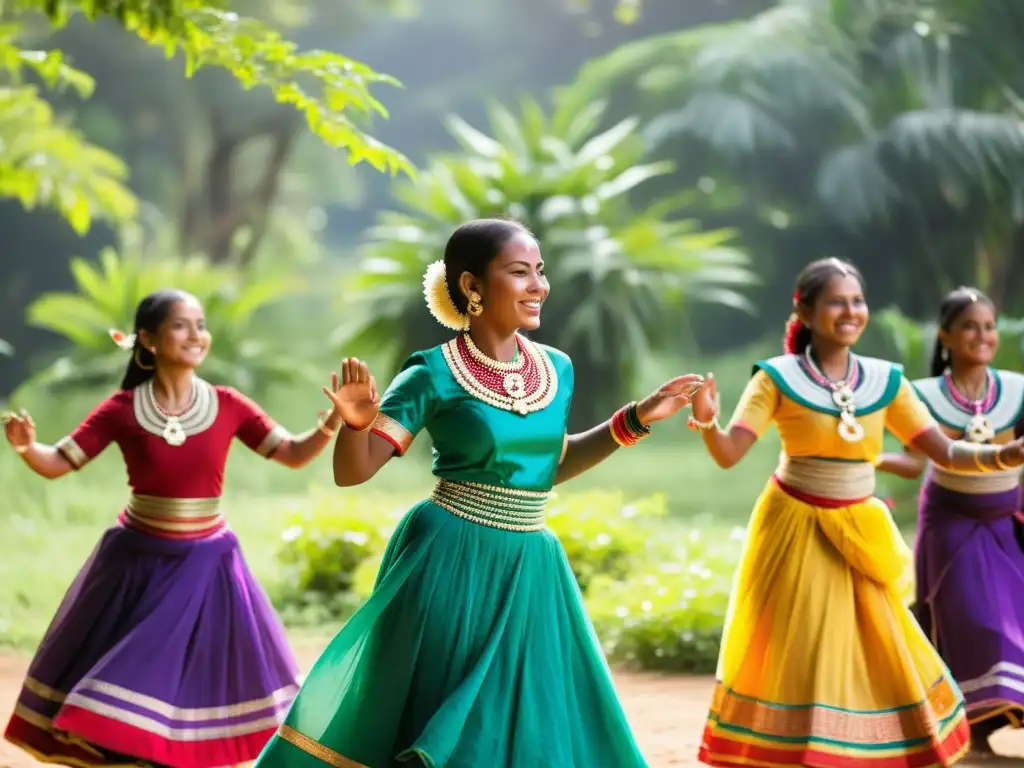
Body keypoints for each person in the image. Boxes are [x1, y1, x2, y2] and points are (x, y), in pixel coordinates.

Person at [253, 218, 705, 768]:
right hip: (451, 563)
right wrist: (354, 425)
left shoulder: (556, 370)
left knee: (527, 718)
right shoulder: (432, 373)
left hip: (533, 566)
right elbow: (355, 471)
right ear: (471, 286)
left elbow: (549, 466)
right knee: (455, 725)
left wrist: (636, 417)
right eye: (519, 273)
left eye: (540, 271)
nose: (538, 285)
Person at [688, 258, 1024, 767]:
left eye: (858, 301)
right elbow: (730, 452)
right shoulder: (776, 378)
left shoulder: (887, 381)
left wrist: (1009, 454)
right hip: (796, 526)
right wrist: (709, 422)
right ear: (804, 308)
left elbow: (946, 452)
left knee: (875, 648)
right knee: (802, 648)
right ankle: (800, 753)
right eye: (837, 301)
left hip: (861, 529)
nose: (851, 312)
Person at [2, 288, 343, 768]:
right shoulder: (122, 409)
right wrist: (25, 448)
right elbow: (59, 461)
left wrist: (332, 423)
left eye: (200, 325)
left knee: (194, 679)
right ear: (148, 339)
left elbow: (290, 453)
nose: (196, 335)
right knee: (135, 673)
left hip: (209, 565)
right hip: (137, 565)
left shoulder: (228, 404)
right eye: (181, 325)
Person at [875, 287, 1024, 759]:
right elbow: (914, 463)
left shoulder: (1018, 390)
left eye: (988, 326)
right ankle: (971, 732)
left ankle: (987, 729)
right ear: (945, 335)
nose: (982, 336)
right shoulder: (923, 396)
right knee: (976, 621)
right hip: (951, 525)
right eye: (969, 327)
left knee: (1015, 621)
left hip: (1007, 522)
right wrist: (860, 458)